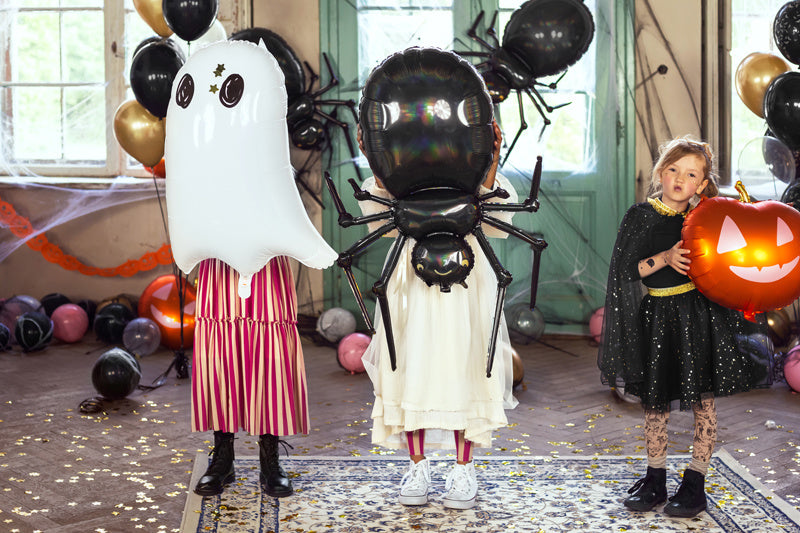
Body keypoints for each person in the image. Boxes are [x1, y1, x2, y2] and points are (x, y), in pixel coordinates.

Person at [598, 137, 766, 518]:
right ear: (661, 172)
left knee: (702, 401)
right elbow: (626, 271)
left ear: (702, 184)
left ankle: (695, 483)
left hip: (698, 318)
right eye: (673, 169)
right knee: (655, 403)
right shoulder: (640, 216)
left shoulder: (706, 217)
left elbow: (734, 258)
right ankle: (655, 478)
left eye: (691, 175)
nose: (679, 179)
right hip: (658, 317)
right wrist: (665, 257)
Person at [357, 121, 518, 509]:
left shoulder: (467, 153)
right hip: (411, 268)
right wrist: (375, 159)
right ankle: (417, 465)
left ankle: (464, 467)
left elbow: (495, 219)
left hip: (466, 269)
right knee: (409, 362)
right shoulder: (406, 156)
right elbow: (381, 217)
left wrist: (491, 159)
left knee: (466, 363)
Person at [190, 256, 307, 498]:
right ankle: (223, 458)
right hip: (220, 261)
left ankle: (270, 459)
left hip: (268, 258)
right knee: (221, 354)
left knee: (270, 351)